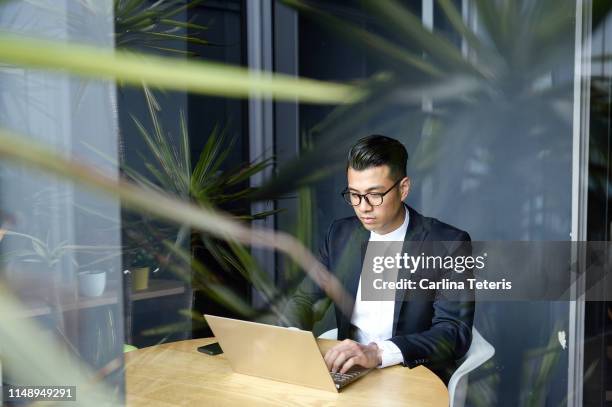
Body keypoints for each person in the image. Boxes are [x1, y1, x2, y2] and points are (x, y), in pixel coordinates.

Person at [283, 135, 475, 384]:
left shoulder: (450, 244)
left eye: (374, 195)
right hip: (346, 371)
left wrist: (377, 352)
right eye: (354, 194)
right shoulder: (340, 234)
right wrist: (289, 338)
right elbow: (304, 299)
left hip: (411, 375)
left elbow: (453, 333)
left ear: (403, 188)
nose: (363, 207)